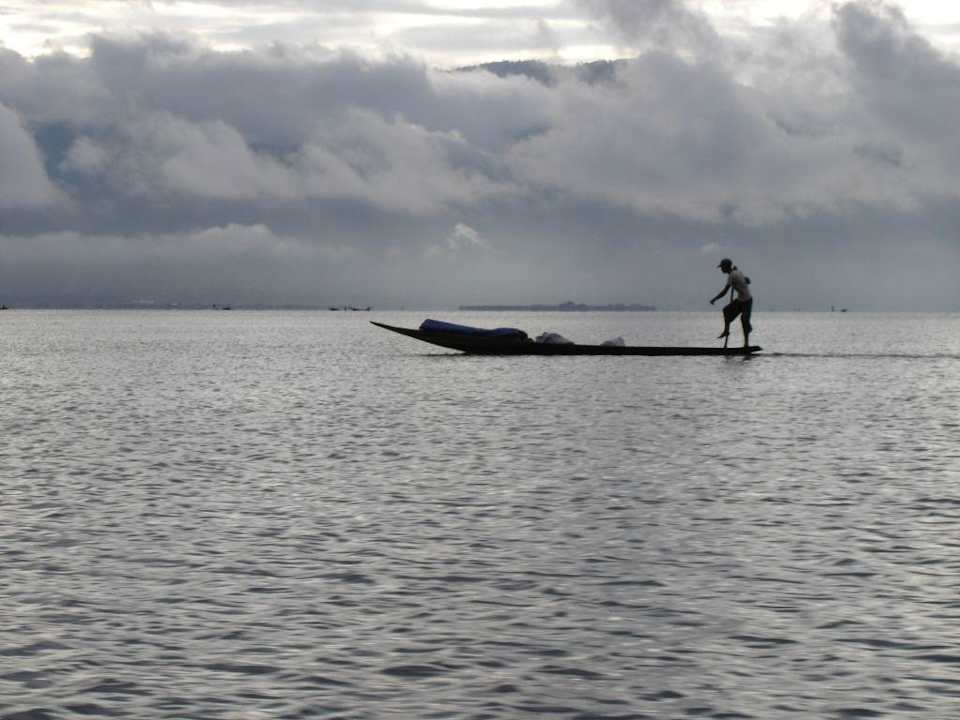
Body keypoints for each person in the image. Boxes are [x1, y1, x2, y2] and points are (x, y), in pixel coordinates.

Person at [710, 258, 753, 347]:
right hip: (740, 300)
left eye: (722, 267)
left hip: (747, 301)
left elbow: (725, 292)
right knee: (726, 310)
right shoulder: (737, 272)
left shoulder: (732, 275)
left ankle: (746, 344)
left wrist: (714, 299)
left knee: (744, 320)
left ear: (726, 267)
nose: (721, 269)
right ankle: (726, 331)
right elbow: (748, 280)